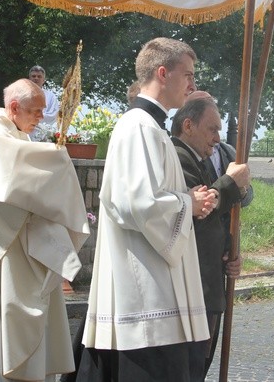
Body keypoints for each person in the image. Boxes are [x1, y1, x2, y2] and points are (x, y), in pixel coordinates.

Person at [73, 37, 217, 381]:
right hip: (146, 299)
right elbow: (137, 202)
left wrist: (185, 202)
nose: (193, 85)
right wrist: (189, 203)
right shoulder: (137, 126)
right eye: (188, 75)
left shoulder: (151, 127)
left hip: (157, 291)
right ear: (163, 73)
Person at [0, 78, 90, 382]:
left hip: (20, 247)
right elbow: (19, 177)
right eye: (35, 111)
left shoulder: (14, 134)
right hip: (0, 251)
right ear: (13, 107)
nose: (39, 117)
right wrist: (58, 156)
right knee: (0, 321)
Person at [170, 97, 252, 376]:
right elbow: (199, 214)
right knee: (190, 368)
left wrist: (229, 253)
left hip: (207, 286)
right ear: (188, 125)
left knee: (199, 367)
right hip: (192, 291)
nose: (218, 138)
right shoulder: (178, 158)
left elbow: (215, 221)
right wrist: (229, 184)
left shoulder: (199, 159)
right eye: (212, 130)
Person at [28, 65, 59, 141]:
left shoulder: (51, 97)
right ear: (29, 79)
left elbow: (53, 116)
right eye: (33, 76)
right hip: (25, 133)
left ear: (43, 80)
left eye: (39, 76)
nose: (36, 78)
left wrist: (33, 116)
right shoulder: (21, 95)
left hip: (43, 135)